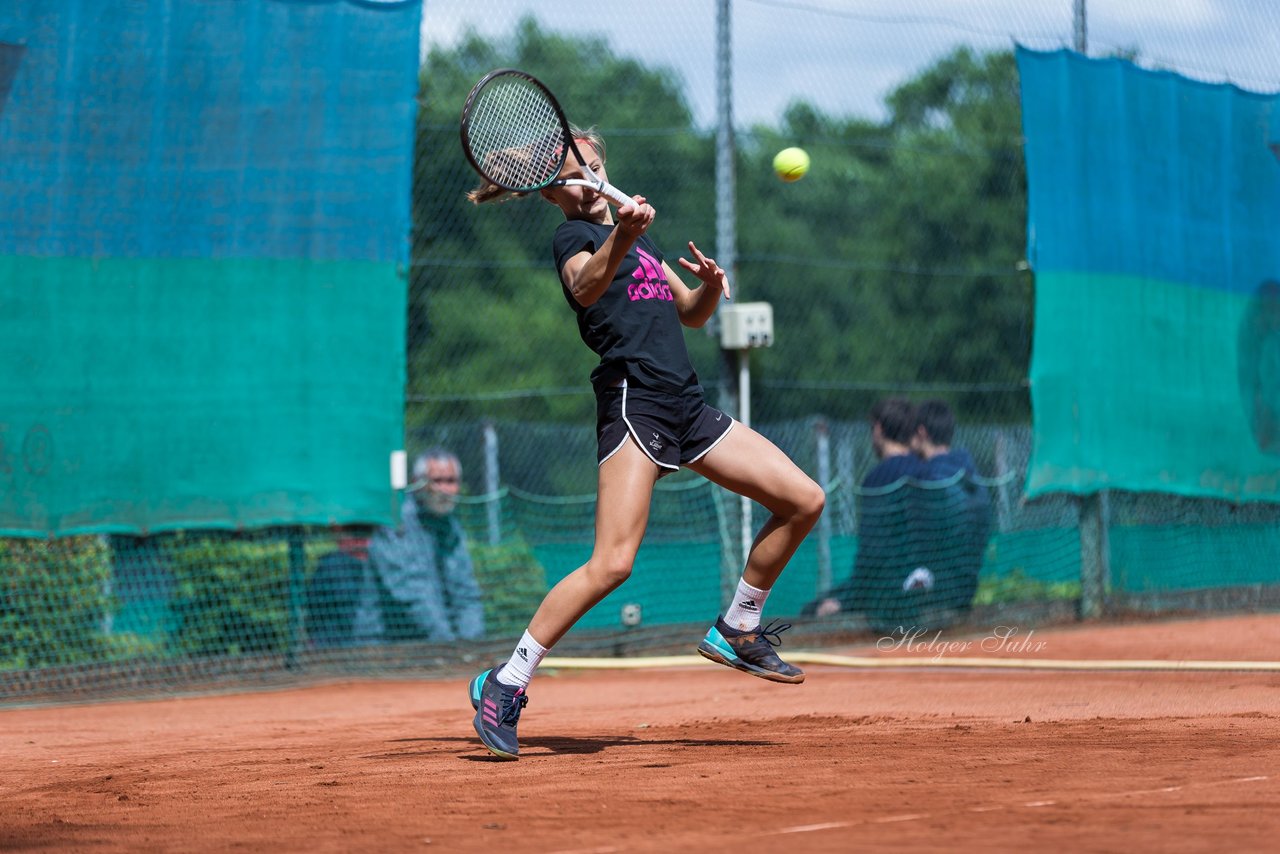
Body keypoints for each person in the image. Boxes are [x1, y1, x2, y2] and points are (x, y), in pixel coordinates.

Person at [464, 127, 825, 760]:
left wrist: (712, 285)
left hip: (685, 404)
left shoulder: (638, 235)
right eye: (579, 174)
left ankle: (739, 624)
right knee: (613, 563)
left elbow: (690, 313)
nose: (594, 177)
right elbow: (584, 288)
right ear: (557, 195)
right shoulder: (573, 238)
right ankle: (506, 681)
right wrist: (624, 234)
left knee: (804, 499)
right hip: (635, 403)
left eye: (597, 164)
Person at [806, 397, 928, 619]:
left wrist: (847, 600)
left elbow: (873, 554)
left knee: (812, 610)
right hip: (923, 583)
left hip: (885, 591)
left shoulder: (879, 478)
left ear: (879, 429)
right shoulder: (925, 470)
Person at [353, 449, 486, 644]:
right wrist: (451, 648)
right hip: (386, 648)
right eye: (437, 481)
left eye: (451, 481)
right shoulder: (396, 524)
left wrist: (471, 644)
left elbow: (465, 593)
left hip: (439, 648)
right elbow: (413, 594)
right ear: (417, 482)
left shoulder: (450, 525)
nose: (445, 489)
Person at [910, 399, 992, 613]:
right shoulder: (973, 479)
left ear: (921, 432)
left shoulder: (927, 480)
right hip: (967, 589)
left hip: (932, 595)